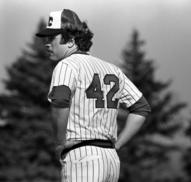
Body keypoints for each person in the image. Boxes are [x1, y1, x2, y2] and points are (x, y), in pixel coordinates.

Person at [36, 9, 151, 182]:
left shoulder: (66, 65)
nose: (46, 43)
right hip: (111, 161)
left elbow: (60, 100)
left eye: (52, 37)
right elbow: (141, 108)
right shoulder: (112, 69)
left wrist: (60, 143)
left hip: (82, 157)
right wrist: (117, 144)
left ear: (70, 40)